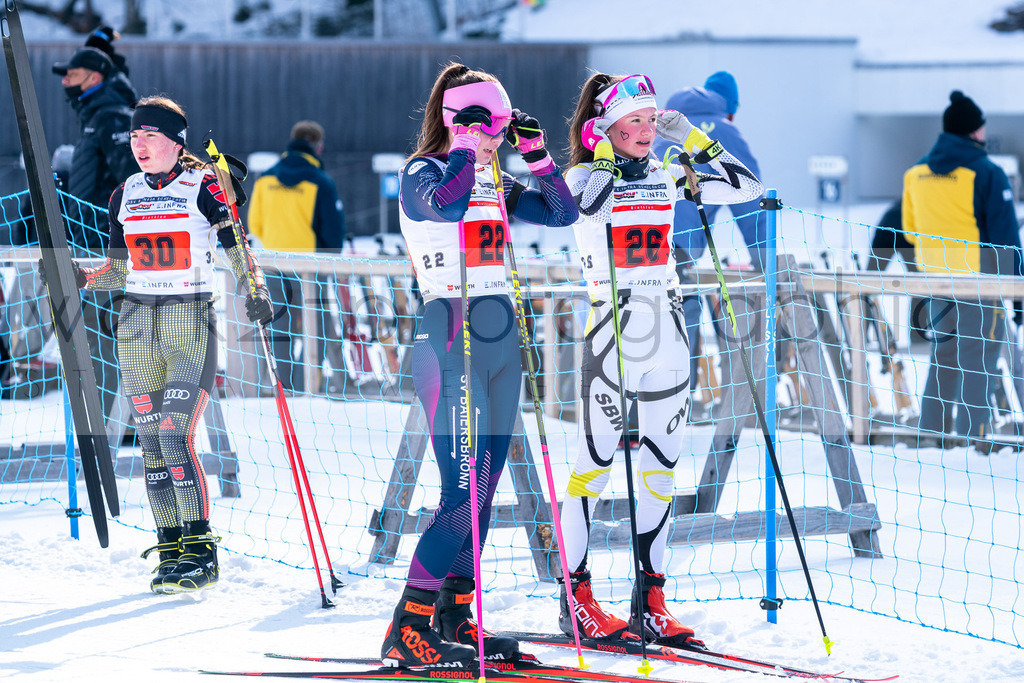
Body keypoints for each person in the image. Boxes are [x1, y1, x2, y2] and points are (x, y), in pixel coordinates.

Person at [382, 62, 578, 667]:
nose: (497, 139)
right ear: (457, 122)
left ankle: (454, 615)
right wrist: (465, 149)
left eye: (500, 128)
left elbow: (563, 214)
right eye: (486, 126)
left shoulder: (491, 176)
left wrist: (540, 158)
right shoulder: (425, 171)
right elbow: (443, 208)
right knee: (461, 495)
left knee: (484, 494)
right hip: (450, 334)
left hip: (500, 335)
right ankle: (406, 626)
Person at [42, 96, 274, 592]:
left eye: (150, 136)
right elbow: (120, 271)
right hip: (137, 328)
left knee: (175, 436)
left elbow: (237, 244)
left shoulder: (202, 186)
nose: (139, 145)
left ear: (176, 141)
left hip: (191, 323)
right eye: (134, 137)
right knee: (150, 443)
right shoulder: (123, 193)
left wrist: (255, 290)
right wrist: (79, 277)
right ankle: (171, 549)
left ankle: (200, 549)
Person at [562, 73, 762, 644]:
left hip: (670, 330)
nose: (649, 130)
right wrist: (603, 151)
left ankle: (652, 601)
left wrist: (693, 135)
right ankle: (576, 597)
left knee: (660, 471)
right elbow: (592, 204)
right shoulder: (579, 176)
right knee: (593, 467)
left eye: (653, 119)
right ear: (605, 127)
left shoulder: (666, 173)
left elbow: (745, 186)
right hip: (613, 332)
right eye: (636, 120)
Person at [903, 90, 1023, 453]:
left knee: (944, 358)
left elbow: (909, 231)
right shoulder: (986, 172)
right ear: (974, 131)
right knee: (980, 364)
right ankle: (978, 444)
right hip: (979, 284)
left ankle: (930, 438)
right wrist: (1018, 293)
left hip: (935, 283)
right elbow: (1007, 241)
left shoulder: (916, 174)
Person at [651, 71, 764, 404]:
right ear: (729, 108)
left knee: (646, 319)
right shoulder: (725, 132)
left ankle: (645, 405)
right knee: (684, 311)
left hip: (638, 240)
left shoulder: (660, 126)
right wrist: (765, 262)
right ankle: (675, 404)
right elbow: (751, 204)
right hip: (680, 246)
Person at [52, 46, 140, 422]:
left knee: (109, 337)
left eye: (72, 74)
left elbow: (130, 183)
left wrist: (120, 239)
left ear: (94, 78)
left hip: (106, 250)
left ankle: (119, 425)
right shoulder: (96, 114)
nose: (65, 81)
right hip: (87, 243)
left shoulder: (112, 116)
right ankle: (113, 423)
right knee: (96, 337)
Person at [247, 120, 346, 392]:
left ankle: (285, 385)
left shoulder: (265, 179)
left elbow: (254, 224)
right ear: (319, 146)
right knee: (318, 327)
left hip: (273, 265)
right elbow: (334, 234)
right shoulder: (320, 182)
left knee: (280, 328)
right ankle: (306, 381)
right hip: (310, 269)